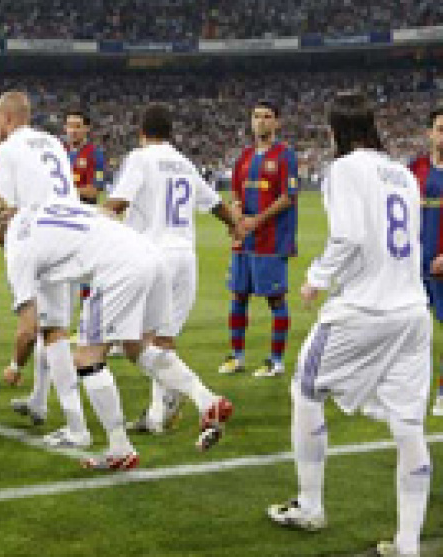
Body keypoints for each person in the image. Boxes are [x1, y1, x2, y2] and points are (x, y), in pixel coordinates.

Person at [267, 92, 431, 557]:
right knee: (408, 425)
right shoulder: (403, 173)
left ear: (335, 130)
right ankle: (407, 543)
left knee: (305, 389)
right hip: (411, 311)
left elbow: (350, 235)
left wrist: (316, 278)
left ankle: (311, 504)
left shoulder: (343, 170)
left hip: (363, 309)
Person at [0, 193, 234, 467]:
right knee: (137, 347)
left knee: (87, 359)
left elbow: (28, 329)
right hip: (149, 255)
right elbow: (105, 213)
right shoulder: (39, 205)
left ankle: (120, 449)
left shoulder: (17, 250)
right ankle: (208, 401)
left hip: (118, 270)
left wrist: (15, 365)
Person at [105, 103, 244, 435]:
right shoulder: (184, 163)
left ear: (141, 132)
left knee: (132, 342)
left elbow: (117, 203)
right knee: (163, 340)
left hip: (152, 256)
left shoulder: (140, 158)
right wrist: (235, 226)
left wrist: (88, 223)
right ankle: (159, 416)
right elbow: (215, 203)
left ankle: (203, 398)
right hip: (184, 257)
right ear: (170, 133)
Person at [0, 91, 81, 435]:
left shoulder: (5, 151)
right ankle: (39, 401)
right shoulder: (53, 142)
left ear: (6, 117)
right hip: (75, 232)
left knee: (53, 330)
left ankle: (75, 424)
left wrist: (9, 248)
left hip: (44, 237)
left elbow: (2, 209)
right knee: (50, 324)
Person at [220, 101, 299, 378]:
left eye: (267, 116)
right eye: (256, 116)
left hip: (272, 240)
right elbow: (236, 193)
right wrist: (237, 215)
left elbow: (288, 197)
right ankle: (237, 356)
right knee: (238, 295)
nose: (261, 121)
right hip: (245, 239)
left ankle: (275, 361)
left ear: (277, 122)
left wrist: (256, 220)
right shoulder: (243, 156)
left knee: (275, 299)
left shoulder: (285, 155)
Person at [409, 106, 443, 416]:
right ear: (429, 133)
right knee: (412, 333)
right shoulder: (414, 168)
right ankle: (410, 392)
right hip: (415, 268)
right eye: (441, 129)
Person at [65, 109, 106, 303]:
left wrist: (65, 189)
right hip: (62, 221)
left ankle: (87, 314)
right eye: (69, 126)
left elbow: (93, 191)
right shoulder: (60, 152)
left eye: (77, 126)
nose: (72, 131)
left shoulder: (95, 154)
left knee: (85, 271)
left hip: (84, 221)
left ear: (86, 129)